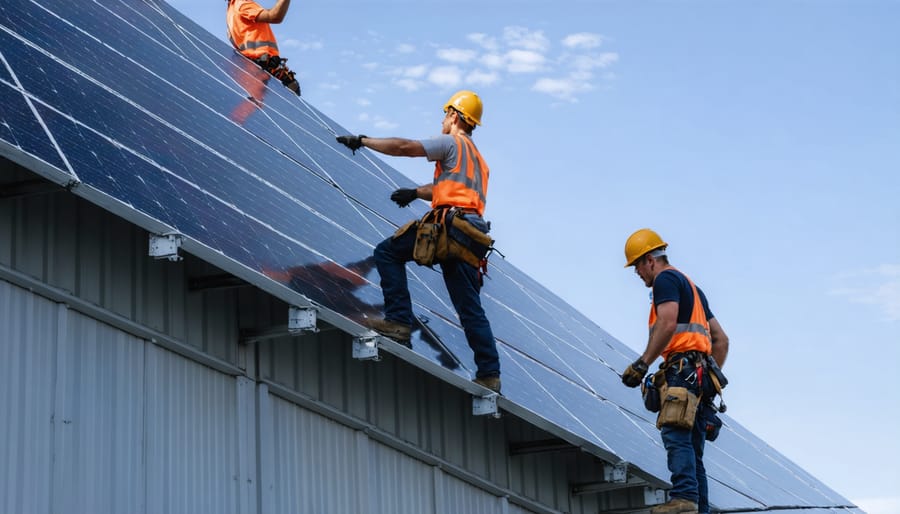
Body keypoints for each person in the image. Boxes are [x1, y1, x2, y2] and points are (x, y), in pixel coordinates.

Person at [335, 90, 501, 393]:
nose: (442, 119)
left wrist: (364, 141)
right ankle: (489, 374)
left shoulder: (452, 142)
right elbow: (449, 188)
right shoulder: (478, 160)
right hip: (472, 236)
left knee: (387, 252)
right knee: (470, 310)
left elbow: (405, 147)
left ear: (454, 115)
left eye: (445, 114)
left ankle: (398, 321)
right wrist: (415, 193)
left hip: (450, 228)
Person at [620, 229, 730, 514]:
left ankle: (683, 499)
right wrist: (707, 382)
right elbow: (721, 339)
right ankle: (697, 508)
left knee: (675, 433)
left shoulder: (665, 280)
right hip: (699, 376)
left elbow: (667, 323)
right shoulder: (693, 287)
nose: (638, 274)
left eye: (637, 266)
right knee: (694, 452)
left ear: (650, 260)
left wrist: (642, 363)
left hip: (681, 372)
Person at [226, 0, 300, 95]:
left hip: (253, 70)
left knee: (258, 105)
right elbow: (274, 16)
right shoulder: (242, 3)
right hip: (266, 68)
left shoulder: (230, 14)